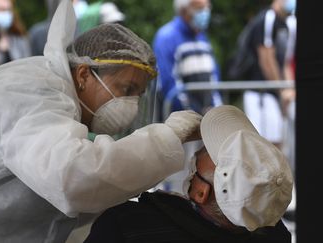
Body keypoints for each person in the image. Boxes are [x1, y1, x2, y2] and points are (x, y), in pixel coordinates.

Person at [0, 1, 203, 242]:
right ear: (83, 75)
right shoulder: (39, 92)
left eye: (138, 94)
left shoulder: (52, 91)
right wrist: (168, 137)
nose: (131, 104)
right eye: (126, 89)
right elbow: (75, 179)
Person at [84, 105, 294, 243]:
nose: (198, 151)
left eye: (206, 151)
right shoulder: (276, 236)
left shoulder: (126, 224)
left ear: (201, 192)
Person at [152, 0, 223, 122]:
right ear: (184, 10)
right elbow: (169, 84)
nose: (205, 12)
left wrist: (216, 112)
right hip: (179, 123)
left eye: (207, 7)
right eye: (200, 8)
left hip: (206, 121)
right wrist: (194, 116)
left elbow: (214, 78)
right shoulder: (166, 37)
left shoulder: (202, 37)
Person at [239, 0, 296, 149]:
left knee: (277, 142)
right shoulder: (267, 18)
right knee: (260, 144)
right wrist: (281, 90)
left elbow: (285, 62)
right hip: (259, 92)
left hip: (274, 92)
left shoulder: (288, 23)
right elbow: (266, 59)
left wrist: (288, 89)